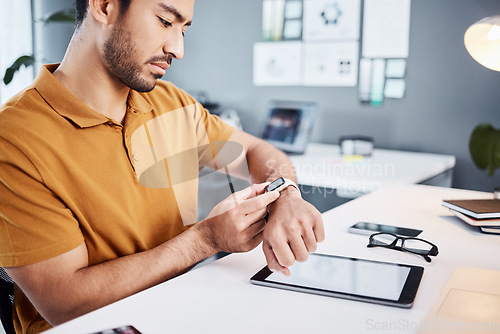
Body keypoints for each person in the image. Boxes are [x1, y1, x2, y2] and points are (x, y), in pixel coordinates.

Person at [0, 0, 324, 333]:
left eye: (183, 29)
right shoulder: (15, 139)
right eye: (165, 21)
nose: (178, 48)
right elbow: (64, 304)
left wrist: (286, 195)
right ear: (105, 6)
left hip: (180, 312)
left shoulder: (173, 104)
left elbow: (258, 151)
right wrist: (206, 239)